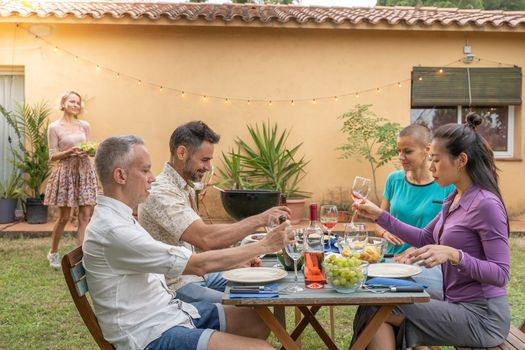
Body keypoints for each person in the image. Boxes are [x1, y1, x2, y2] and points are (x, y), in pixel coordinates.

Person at [83, 135, 291, 350]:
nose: (151, 178)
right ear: (121, 176)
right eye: (145, 170)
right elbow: (197, 262)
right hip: (151, 335)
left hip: (172, 312)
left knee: (258, 320)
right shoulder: (114, 230)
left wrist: (239, 257)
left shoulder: (121, 218)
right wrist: (264, 245)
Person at [351, 113, 510, 349]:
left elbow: (501, 274)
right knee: (375, 302)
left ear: (461, 160)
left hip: (482, 317)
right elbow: (425, 237)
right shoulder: (455, 197)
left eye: (436, 160)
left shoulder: (486, 204)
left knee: (376, 306)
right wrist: (379, 215)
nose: (431, 166)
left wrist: (455, 255)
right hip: (456, 306)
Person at [139, 120, 290, 303]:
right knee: (250, 309)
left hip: (199, 275)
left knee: (267, 289)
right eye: (205, 160)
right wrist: (261, 221)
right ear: (181, 152)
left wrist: (235, 261)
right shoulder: (161, 191)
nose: (209, 167)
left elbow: (196, 246)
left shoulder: (183, 186)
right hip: (175, 286)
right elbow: (206, 238)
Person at [379, 124, 454, 299]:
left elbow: (448, 235)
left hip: (427, 264)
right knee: (371, 305)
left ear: (427, 149)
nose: (401, 157)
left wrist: (416, 250)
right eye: (399, 151)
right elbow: (380, 221)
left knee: (387, 308)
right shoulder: (394, 180)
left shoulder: (446, 185)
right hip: (392, 260)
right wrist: (383, 232)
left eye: (407, 151)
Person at [44, 91, 97, 269]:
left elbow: (89, 148)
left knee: (85, 216)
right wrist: (68, 152)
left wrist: (89, 151)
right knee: (64, 217)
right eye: (72, 101)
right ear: (63, 103)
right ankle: (53, 252)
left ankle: (81, 256)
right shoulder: (54, 127)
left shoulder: (84, 125)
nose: (75, 105)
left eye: (78, 102)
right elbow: (52, 156)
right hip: (66, 173)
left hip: (84, 171)